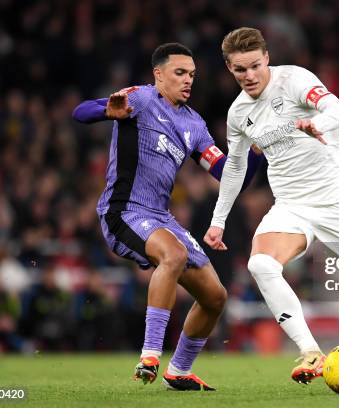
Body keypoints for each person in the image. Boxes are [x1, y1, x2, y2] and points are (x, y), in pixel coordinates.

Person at [204, 27, 339, 385]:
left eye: (255, 66)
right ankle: (310, 351)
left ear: (266, 57)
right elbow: (235, 167)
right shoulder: (238, 114)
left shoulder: (294, 79)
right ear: (228, 68)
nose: (249, 76)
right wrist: (218, 219)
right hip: (292, 204)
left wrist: (317, 123)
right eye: (240, 70)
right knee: (262, 264)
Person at [73, 43, 263, 391]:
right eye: (180, 73)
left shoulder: (193, 124)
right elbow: (80, 112)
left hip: (160, 217)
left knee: (216, 297)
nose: (188, 80)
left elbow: (227, 174)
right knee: (173, 255)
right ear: (158, 75)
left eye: (192, 74)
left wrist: (254, 152)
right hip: (124, 211)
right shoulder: (141, 99)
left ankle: (178, 370)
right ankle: (149, 355)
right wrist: (106, 112)